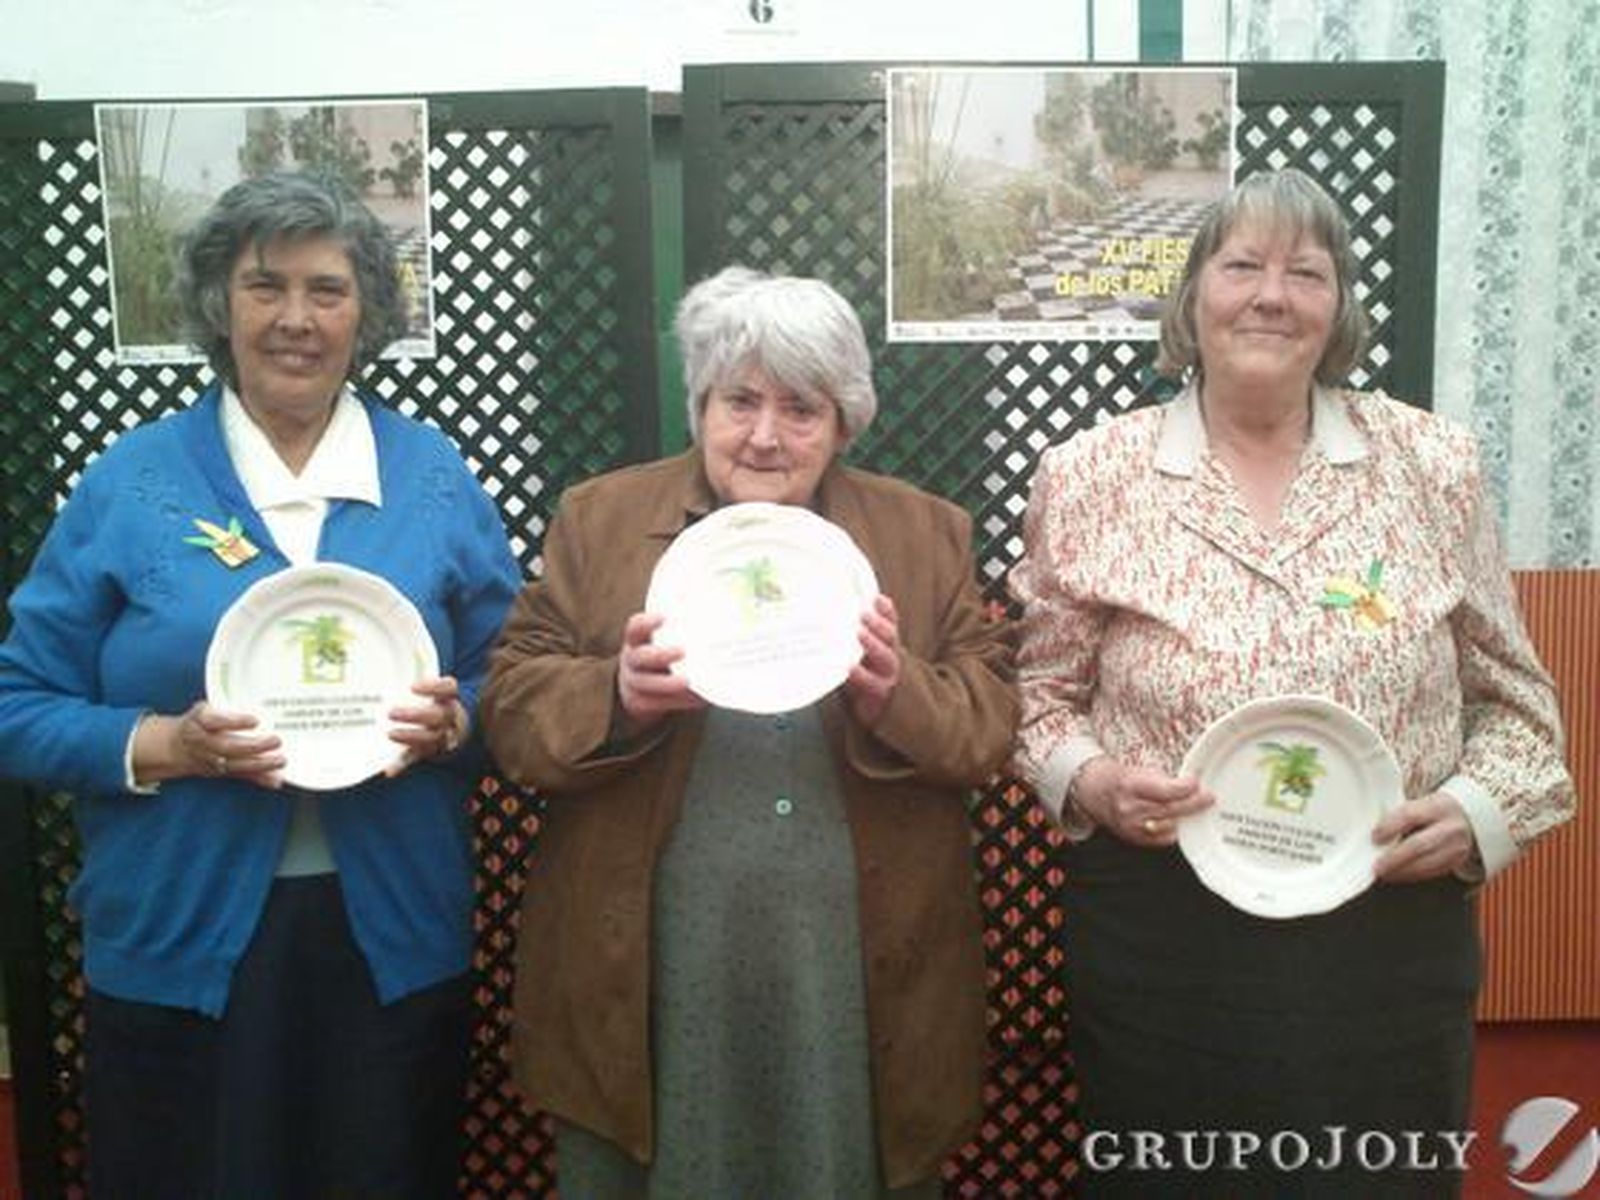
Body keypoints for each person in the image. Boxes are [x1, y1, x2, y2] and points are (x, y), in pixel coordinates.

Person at [1009, 168, 1575, 1198]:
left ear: (1338, 307)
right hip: (1165, 937)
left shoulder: (1432, 464)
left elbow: (1521, 715)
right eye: (1241, 266)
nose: (1270, 293)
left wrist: (1478, 811)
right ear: (1191, 298)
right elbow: (1036, 701)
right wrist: (1089, 783)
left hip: (1385, 939)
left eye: (1304, 271)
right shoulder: (1088, 474)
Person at [0, 170, 522, 1197]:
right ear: (218, 306)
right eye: (264, 286)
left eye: (327, 289)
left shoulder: (433, 476)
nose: (295, 318)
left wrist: (454, 722)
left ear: (364, 309)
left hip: (390, 933)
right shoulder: (132, 481)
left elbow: (517, 682)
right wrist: (166, 746)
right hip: (176, 933)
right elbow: (16, 706)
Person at [480, 266, 1017, 1198]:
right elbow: (511, 708)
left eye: (801, 408)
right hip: (654, 950)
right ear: (700, 407)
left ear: (844, 420)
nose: (765, 436)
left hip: (854, 955)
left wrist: (899, 694)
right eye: (739, 401)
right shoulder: (600, 520)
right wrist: (618, 693)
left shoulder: (926, 535)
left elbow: (990, 728)